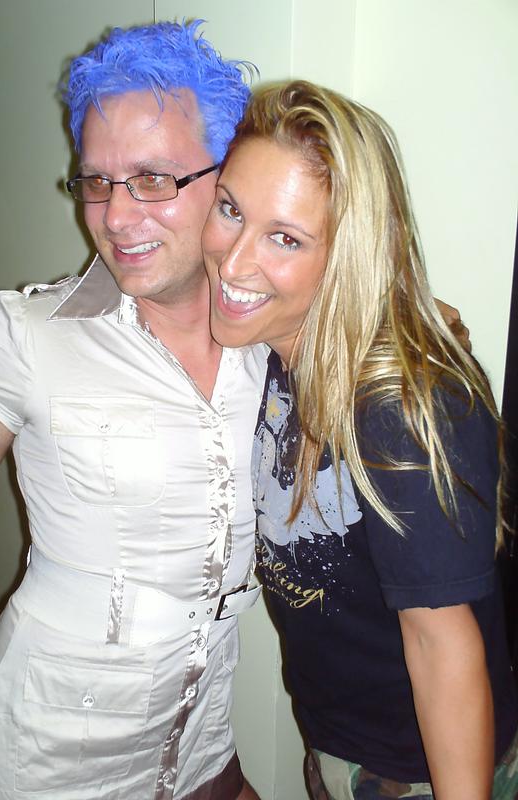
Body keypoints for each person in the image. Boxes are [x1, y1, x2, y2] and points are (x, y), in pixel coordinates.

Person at [0, 20, 264, 800]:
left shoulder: (275, 341)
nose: (114, 216)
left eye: (152, 179)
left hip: (196, 748)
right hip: (36, 764)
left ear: (228, 181)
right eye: (96, 182)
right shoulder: (28, 337)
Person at [202, 80, 518, 799]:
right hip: (335, 740)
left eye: (286, 237)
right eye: (230, 209)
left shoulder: (402, 408)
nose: (233, 261)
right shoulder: (267, 341)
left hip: (421, 769)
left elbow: (440, 646)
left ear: (350, 253)